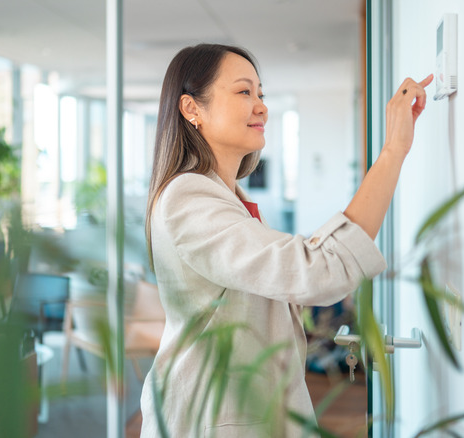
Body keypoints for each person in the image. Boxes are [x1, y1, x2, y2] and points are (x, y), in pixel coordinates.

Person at [140, 43, 433, 437]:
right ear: (192, 108)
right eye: (244, 92)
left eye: (260, 93)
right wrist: (393, 150)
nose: (261, 106)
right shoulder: (188, 198)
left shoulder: (226, 197)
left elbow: (294, 264)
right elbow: (317, 272)